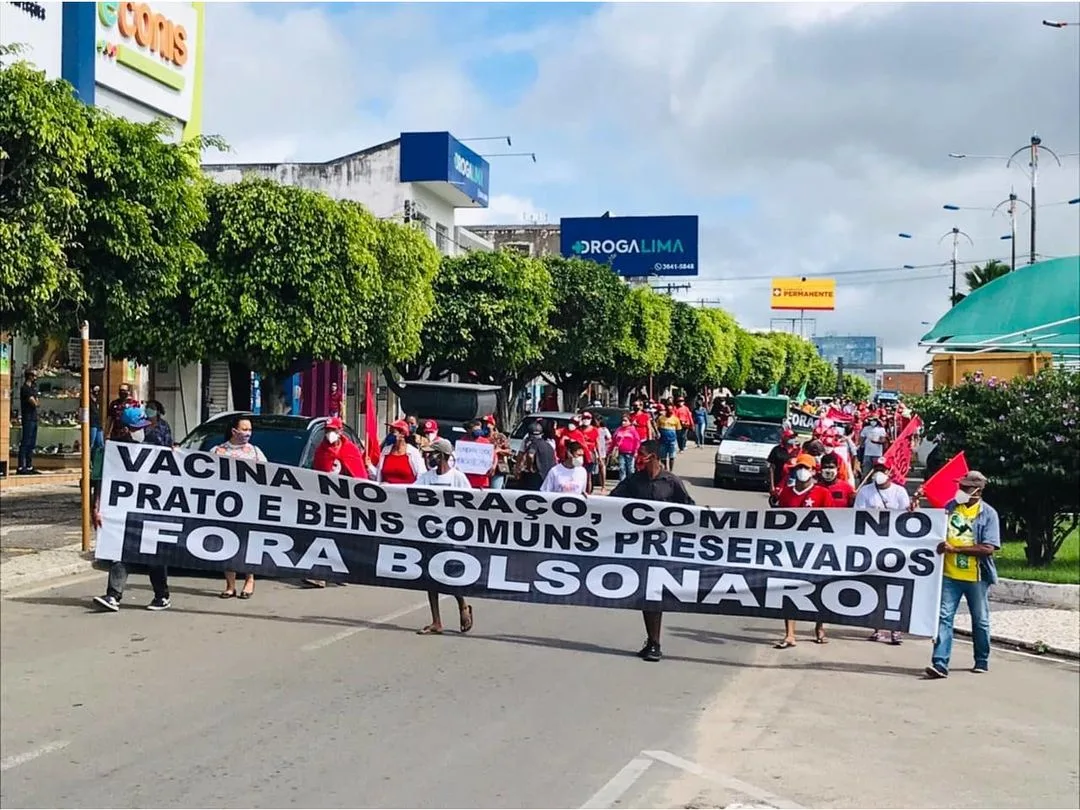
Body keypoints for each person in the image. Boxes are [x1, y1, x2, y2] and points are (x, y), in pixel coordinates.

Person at [609, 439, 695, 662]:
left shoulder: (671, 482)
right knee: (646, 595)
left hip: (663, 548)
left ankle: (655, 643)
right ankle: (652, 640)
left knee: (654, 594)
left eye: (643, 454)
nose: (639, 458)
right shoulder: (635, 480)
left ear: (655, 457)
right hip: (639, 547)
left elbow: (690, 510)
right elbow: (611, 502)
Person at [92, 406, 172, 612]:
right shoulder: (111, 451)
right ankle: (113, 595)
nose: (140, 430)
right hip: (123, 508)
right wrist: (97, 507)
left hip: (151, 507)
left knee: (153, 552)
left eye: (142, 426)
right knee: (120, 550)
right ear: (124, 429)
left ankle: (162, 596)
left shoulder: (155, 445)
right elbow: (102, 481)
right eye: (135, 427)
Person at [924, 471, 1000, 678]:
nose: (961, 491)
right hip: (949, 575)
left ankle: (981, 659)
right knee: (944, 618)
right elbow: (933, 528)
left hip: (976, 577)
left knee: (981, 620)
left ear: (977, 491)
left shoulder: (988, 514)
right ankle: (940, 663)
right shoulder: (950, 507)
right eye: (961, 486)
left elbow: (989, 548)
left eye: (966, 488)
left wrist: (955, 550)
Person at [773, 454, 834, 648]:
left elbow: (833, 523)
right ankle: (790, 634)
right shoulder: (786, 493)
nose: (802, 471)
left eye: (806, 468)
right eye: (799, 468)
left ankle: (819, 628)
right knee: (789, 590)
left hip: (817, 549)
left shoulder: (823, 493)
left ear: (813, 471)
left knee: (819, 590)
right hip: (791, 550)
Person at [416, 438, 476, 635]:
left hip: (452, 536)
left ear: (442, 456)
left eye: (432, 454)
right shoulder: (426, 477)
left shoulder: (458, 478)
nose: (428, 457)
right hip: (430, 533)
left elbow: (470, 502)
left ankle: (462, 605)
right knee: (429, 577)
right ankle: (436, 621)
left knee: (450, 576)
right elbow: (409, 494)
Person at [855, 458, 911, 645]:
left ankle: (896, 629)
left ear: (890, 472)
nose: (879, 472)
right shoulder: (865, 491)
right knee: (876, 587)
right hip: (873, 546)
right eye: (877, 469)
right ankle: (877, 628)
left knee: (895, 587)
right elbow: (858, 516)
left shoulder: (899, 492)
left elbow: (906, 516)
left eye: (883, 469)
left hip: (895, 547)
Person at [211, 415, 268, 600]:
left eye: (250, 429)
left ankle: (249, 580)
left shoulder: (255, 452)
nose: (247, 433)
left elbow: (268, 474)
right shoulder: (218, 451)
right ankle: (230, 585)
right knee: (227, 543)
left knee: (247, 543)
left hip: (249, 505)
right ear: (234, 430)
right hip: (226, 505)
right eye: (244, 429)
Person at [17, 369, 40, 474]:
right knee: (25, 442)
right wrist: (35, 400)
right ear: (29, 376)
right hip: (28, 417)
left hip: (34, 417)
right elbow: (34, 403)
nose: (35, 377)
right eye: (34, 375)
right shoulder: (25, 389)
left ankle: (29, 466)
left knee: (32, 443)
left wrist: (36, 399)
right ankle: (21, 466)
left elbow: (37, 401)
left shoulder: (33, 388)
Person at [767, 429, 801, 498]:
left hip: (793, 483)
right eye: (790, 437)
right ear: (784, 437)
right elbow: (771, 468)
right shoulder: (776, 450)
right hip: (779, 481)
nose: (793, 439)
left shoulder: (798, 450)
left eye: (793, 437)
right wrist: (772, 486)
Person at [484, 414, 512, 490]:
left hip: (497, 469)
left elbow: (509, 451)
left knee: (495, 490)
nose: (486, 425)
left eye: (488, 423)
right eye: (484, 423)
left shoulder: (500, 436)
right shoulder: (481, 437)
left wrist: (499, 450)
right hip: (483, 469)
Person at [611, 413, 642, 482]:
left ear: (629, 422)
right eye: (622, 420)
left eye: (625, 421)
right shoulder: (618, 430)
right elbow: (614, 440)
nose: (623, 422)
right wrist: (611, 450)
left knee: (630, 469)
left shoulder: (633, 431)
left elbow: (637, 441)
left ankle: (631, 483)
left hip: (630, 453)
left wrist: (636, 451)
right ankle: (622, 484)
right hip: (621, 452)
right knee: (622, 468)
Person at [656, 403, 681, 471]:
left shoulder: (676, 419)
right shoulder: (661, 418)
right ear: (666, 410)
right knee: (663, 457)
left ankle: (671, 470)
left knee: (672, 456)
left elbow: (678, 430)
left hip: (672, 441)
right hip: (663, 441)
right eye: (668, 410)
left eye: (671, 410)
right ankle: (665, 469)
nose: (670, 411)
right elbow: (657, 427)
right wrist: (658, 434)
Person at [89, 384, 104, 450]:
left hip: (98, 423)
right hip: (92, 423)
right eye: (95, 390)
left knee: (101, 443)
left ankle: (97, 458)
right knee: (91, 443)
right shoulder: (88, 400)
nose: (97, 392)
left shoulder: (96, 401)